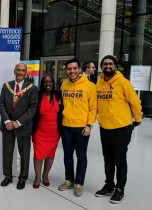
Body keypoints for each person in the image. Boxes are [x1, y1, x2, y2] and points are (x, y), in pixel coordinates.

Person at [94, 55, 142, 204]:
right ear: (102, 67)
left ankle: (120, 190)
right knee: (108, 159)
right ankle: (109, 185)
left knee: (119, 160)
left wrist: (138, 118)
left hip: (121, 128)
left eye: (110, 63)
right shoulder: (99, 84)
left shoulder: (123, 83)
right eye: (105, 64)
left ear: (115, 66)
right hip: (105, 128)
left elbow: (135, 101)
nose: (107, 66)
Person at [58, 58, 97, 197]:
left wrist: (89, 125)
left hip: (82, 127)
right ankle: (69, 180)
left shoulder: (90, 86)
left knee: (81, 156)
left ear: (80, 69)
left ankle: (79, 184)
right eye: (69, 69)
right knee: (67, 155)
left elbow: (93, 108)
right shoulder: (63, 85)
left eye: (74, 68)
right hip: (66, 126)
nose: (72, 71)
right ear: (66, 70)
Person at [0, 63, 38, 190]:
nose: (20, 72)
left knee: (24, 154)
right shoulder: (6, 86)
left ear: (26, 73)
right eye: (18, 70)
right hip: (7, 126)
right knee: (7, 152)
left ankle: (22, 178)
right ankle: (8, 176)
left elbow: (33, 108)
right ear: (14, 71)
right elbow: (1, 104)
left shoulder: (32, 88)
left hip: (23, 126)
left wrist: (19, 122)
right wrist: (7, 121)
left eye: (23, 70)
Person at [32, 75, 63, 189]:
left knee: (50, 154)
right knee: (38, 154)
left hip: (54, 131)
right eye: (45, 82)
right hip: (39, 130)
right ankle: (37, 177)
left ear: (53, 83)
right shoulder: (37, 95)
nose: (48, 84)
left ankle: (45, 176)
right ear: (42, 84)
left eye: (50, 82)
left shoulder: (59, 95)